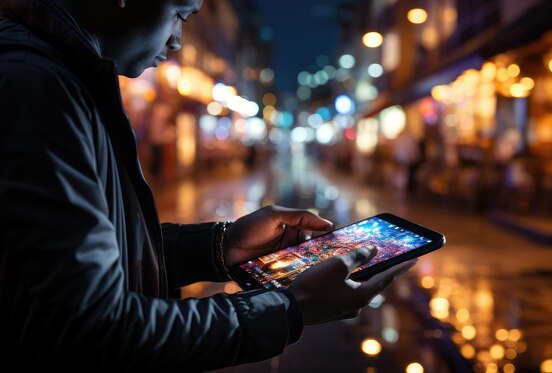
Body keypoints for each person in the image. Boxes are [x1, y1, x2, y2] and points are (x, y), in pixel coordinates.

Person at [0, 0, 417, 370]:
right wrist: (290, 308)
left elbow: (88, 255)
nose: (178, 40)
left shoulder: (58, 79)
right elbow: (93, 332)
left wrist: (222, 246)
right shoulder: (36, 89)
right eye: (179, 14)